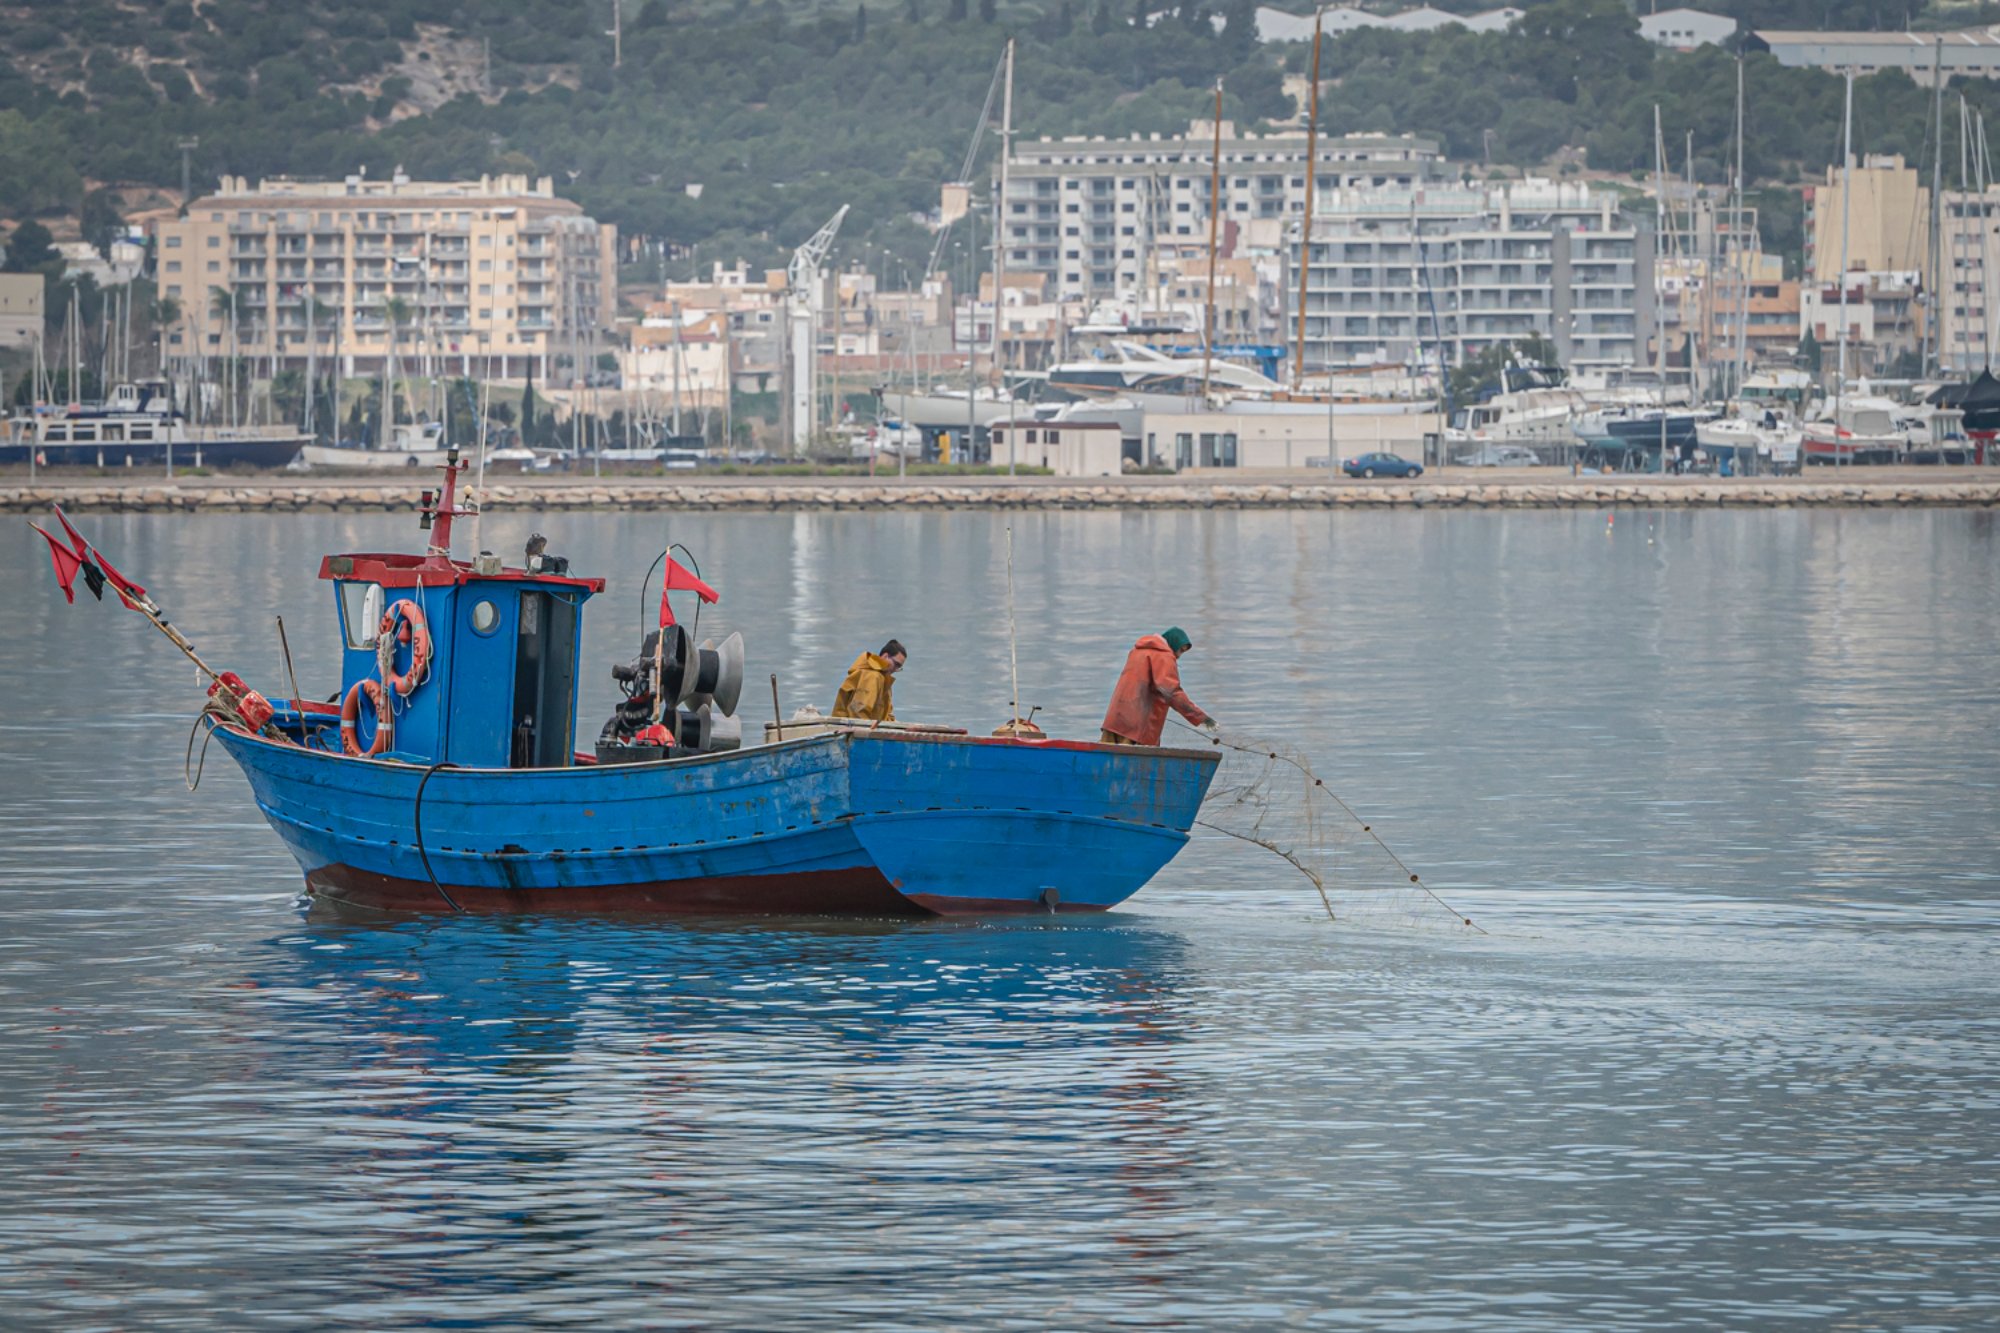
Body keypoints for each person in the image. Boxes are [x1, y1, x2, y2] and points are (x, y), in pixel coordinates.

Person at [1100, 627, 1216, 747]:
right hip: (1136, 723)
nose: (1179, 656)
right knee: (1131, 755)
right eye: (1180, 650)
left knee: (1106, 750)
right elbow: (1171, 693)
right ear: (1173, 644)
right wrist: (1201, 717)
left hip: (1116, 716)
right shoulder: (1164, 656)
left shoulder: (1137, 651)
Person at [832, 639, 906, 722]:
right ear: (885, 656)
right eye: (896, 664)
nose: (895, 669)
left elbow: (887, 716)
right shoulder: (871, 676)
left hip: (866, 727)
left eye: (899, 667)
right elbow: (858, 712)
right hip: (846, 727)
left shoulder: (884, 680)